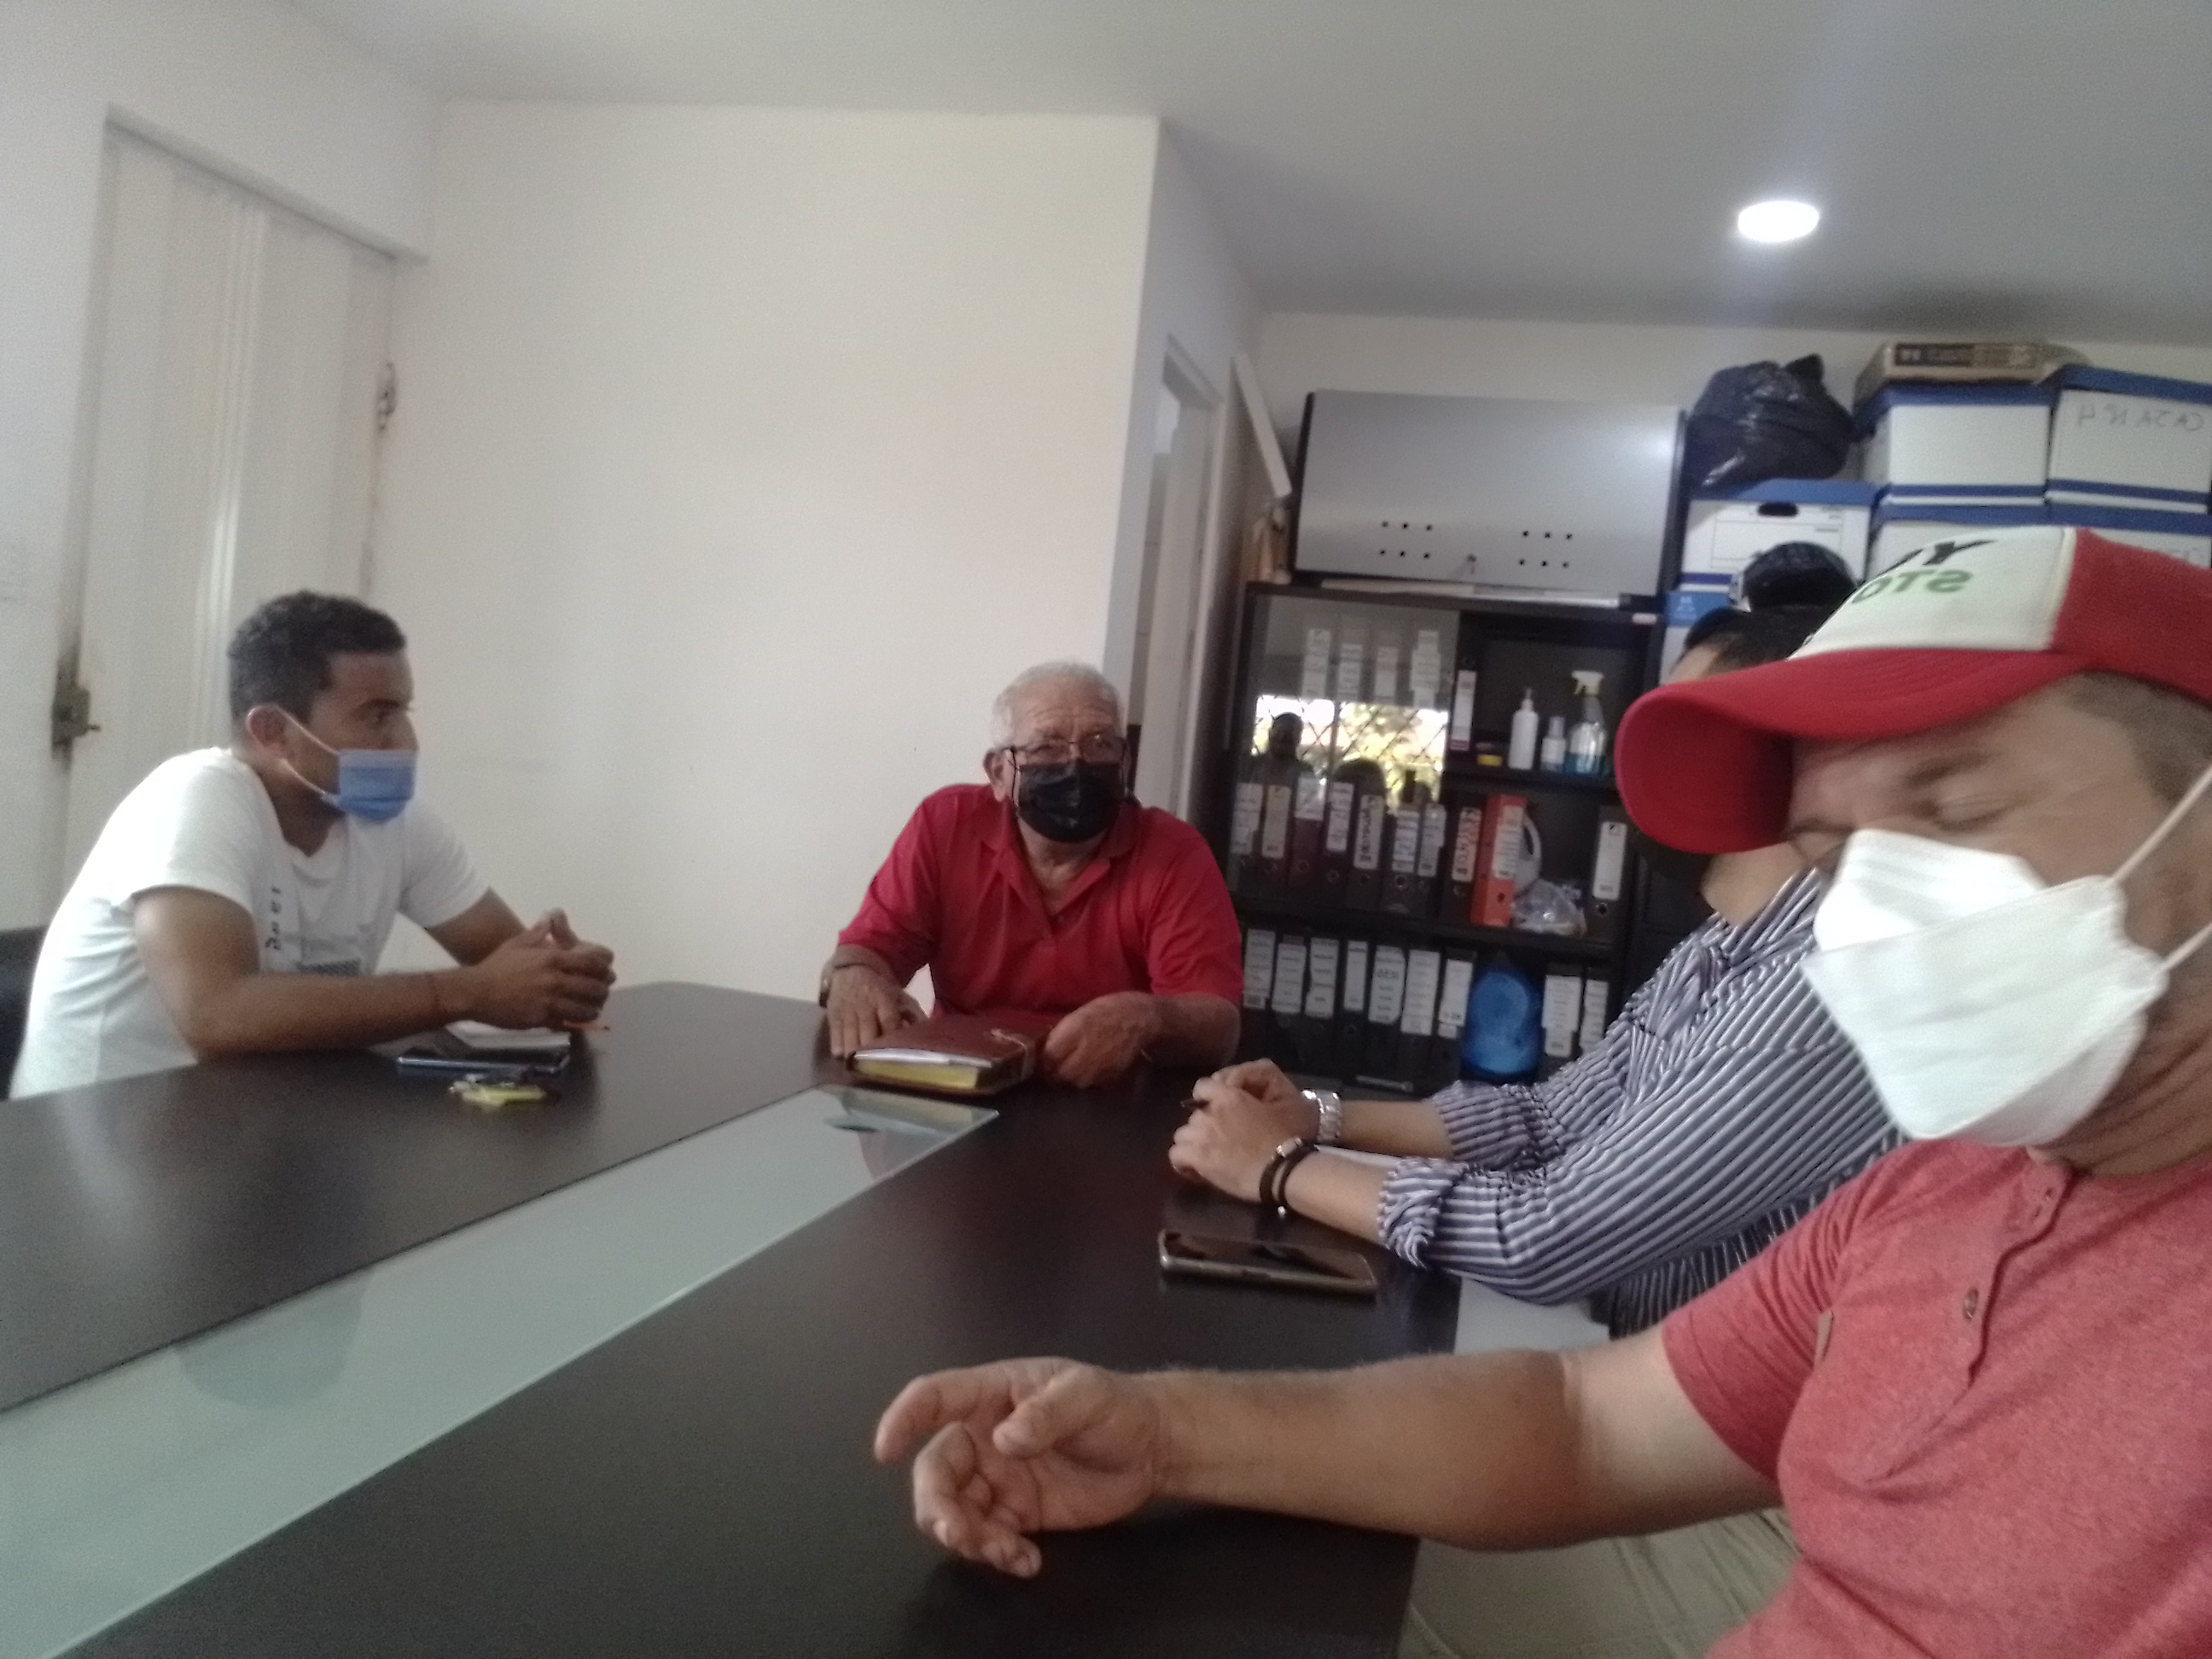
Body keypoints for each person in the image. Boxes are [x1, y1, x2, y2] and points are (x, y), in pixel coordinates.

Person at [875, 526, 2212, 1659]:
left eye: (1959, 807)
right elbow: (1588, 1424)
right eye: (1832, 848)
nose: (1872, 913)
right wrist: (1160, 1430)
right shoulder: (1941, 1190)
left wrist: (1284, 1166)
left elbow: (1559, 1234)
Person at [1170, 562, 1894, 1342]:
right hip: (1636, 1363)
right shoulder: (1720, 946)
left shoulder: (1815, 986)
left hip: (1713, 1410)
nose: (1634, 759)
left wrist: (1277, 1166)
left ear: (1780, 762)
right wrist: (1317, 1117)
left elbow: (1543, 1238)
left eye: (1675, 731)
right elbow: (1546, 1121)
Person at [12, 592, 614, 1097]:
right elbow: (216, 1017)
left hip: (250, 1121)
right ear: (274, 730)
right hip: (91, 1142)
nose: (406, 742)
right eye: (376, 716)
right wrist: (465, 993)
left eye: (403, 712)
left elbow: (510, 966)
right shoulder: (194, 799)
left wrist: (562, 979)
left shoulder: (395, 822)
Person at [823, 661, 1241, 1087]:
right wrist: (855, 974)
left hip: (1109, 1091)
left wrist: (1149, 1018)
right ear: (999, 773)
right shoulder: (944, 825)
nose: (1077, 764)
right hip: (961, 1080)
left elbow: (1220, 1026)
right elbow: (871, 948)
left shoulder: (1174, 852)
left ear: (1125, 761)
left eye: (1100, 744)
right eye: (1046, 748)